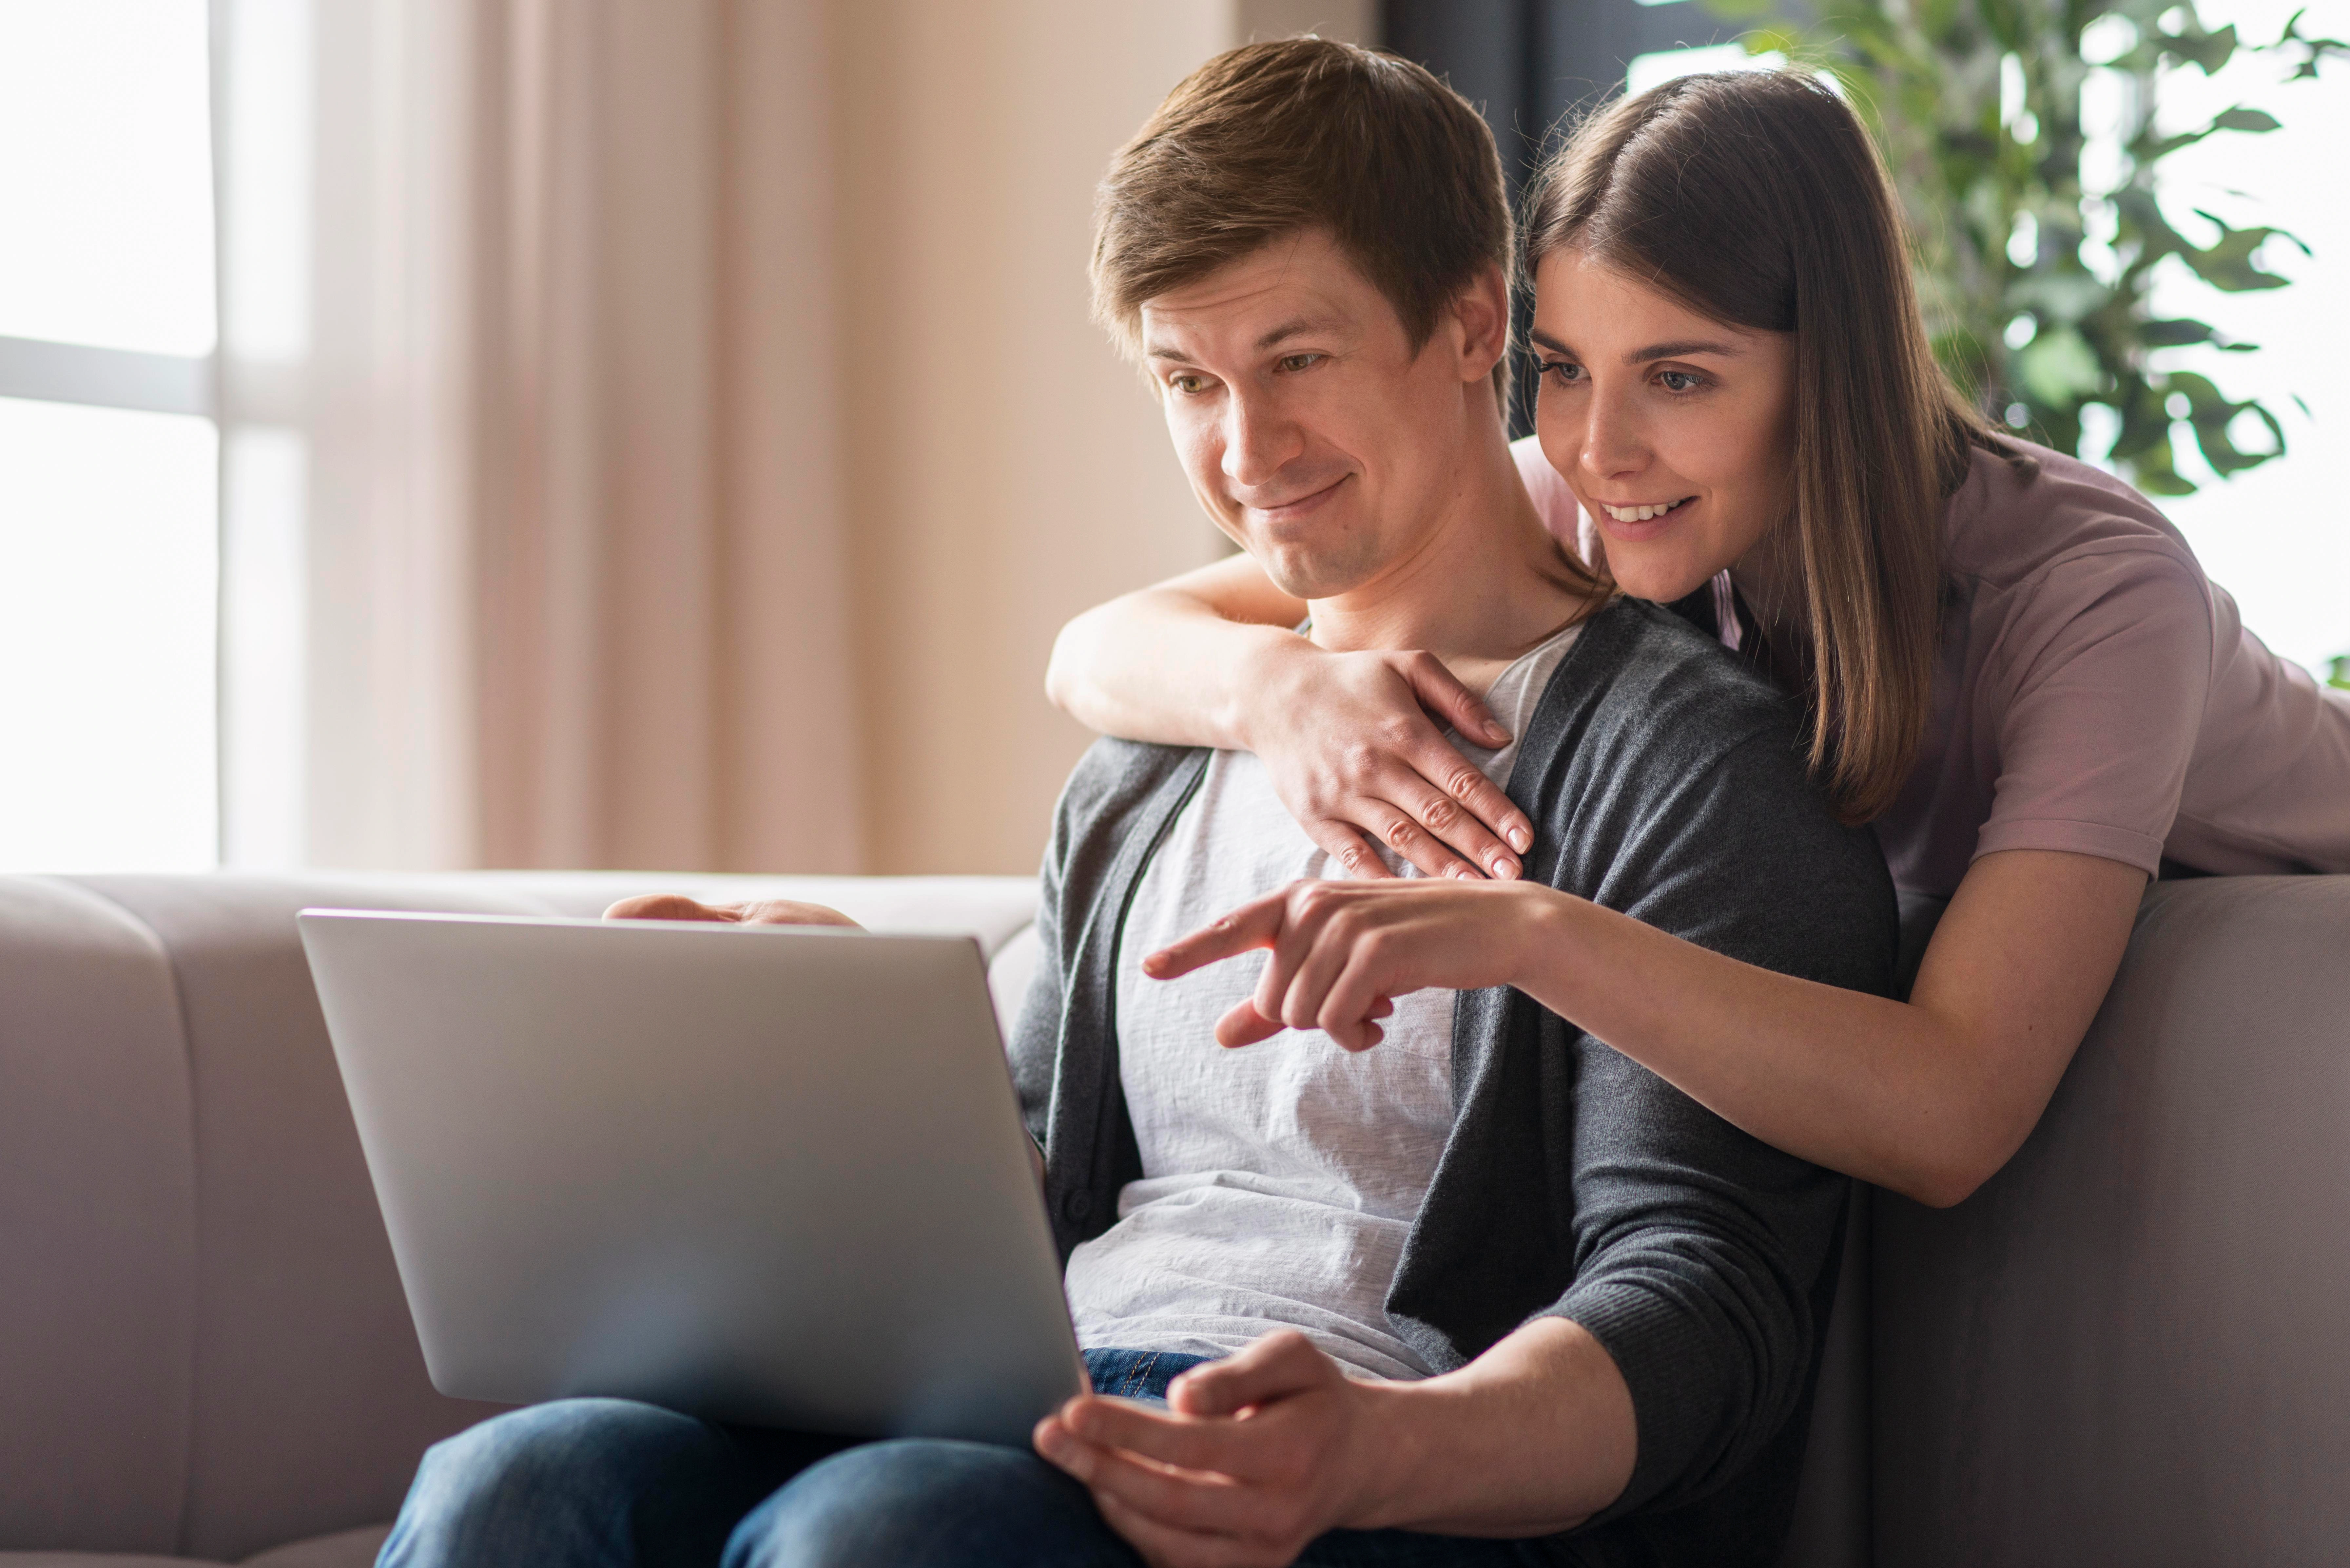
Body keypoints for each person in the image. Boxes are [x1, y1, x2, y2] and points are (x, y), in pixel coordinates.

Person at [377, 40, 1894, 1568]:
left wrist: (1374, 1452)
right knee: (519, 1480)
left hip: (1378, 1461)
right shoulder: (1154, 760)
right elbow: (1028, 1200)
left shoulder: (1688, 760)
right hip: (1051, 1398)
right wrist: (814, 1036)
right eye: (1189, 380)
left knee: (875, 1533)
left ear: (1469, 326)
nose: (1247, 451)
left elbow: (1704, 1297)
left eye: (1297, 360)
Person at [1049, 65, 2350, 1212]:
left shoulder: (2090, 594)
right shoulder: (1604, 497)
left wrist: (1535, 933)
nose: (1598, 449)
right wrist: (1281, 691)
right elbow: (1098, 648)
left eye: (1678, 377)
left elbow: (1954, 1114)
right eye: (1561, 366)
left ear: (1828, 368)